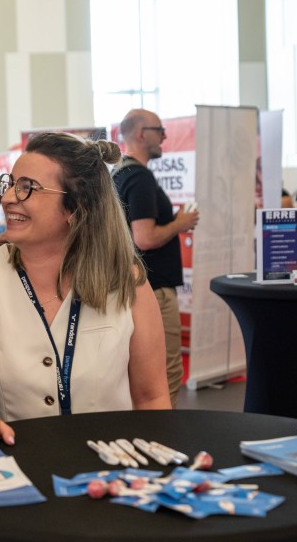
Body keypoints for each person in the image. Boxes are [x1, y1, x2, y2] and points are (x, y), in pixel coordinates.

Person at [0, 132, 171, 455]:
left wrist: (158, 468)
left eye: (27, 188)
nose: (6, 199)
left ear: (75, 208)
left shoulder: (127, 283)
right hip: (17, 475)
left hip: (110, 479)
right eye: (10, 183)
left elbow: (151, 397)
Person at [111, 109, 199, 408]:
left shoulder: (118, 175)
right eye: (158, 129)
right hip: (154, 290)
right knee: (166, 372)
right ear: (140, 134)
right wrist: (181, 223)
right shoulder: (140, 178)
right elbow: (144, 238)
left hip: (130, 287)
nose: (164, 135)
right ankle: (163, 436)